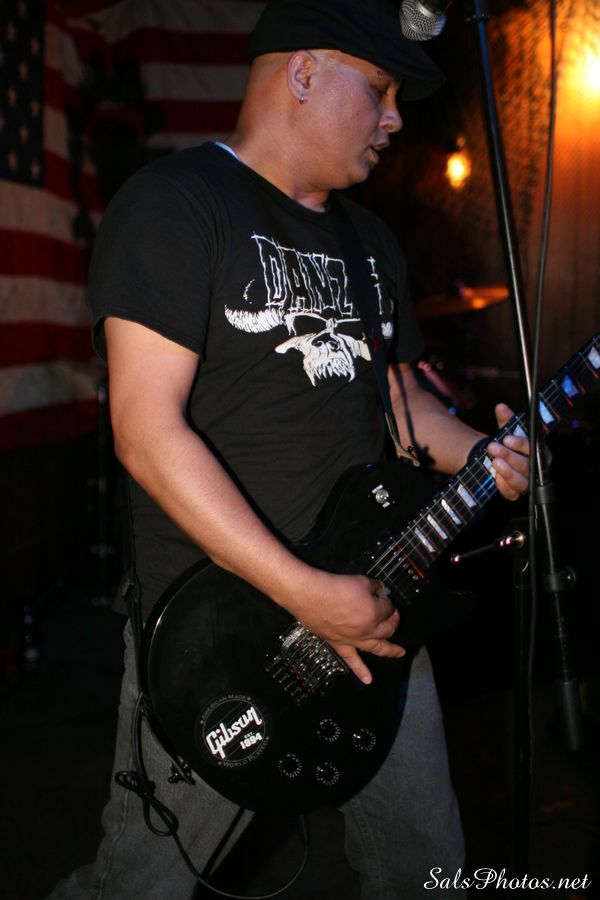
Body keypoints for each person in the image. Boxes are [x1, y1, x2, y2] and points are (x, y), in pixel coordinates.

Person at [47, 1, 531, 897]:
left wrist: (487, 450)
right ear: (303, 72)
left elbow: (399, 400)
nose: (395, 118)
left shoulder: (369, 241)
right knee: (142, 884)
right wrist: (306, 593)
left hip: (377, 602)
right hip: (220, 633)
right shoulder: (176, 204)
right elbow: (146, 432)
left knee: (427, 872)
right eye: (380, 87)